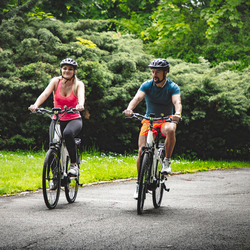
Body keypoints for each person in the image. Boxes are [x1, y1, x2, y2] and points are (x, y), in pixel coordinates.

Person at [124, 58, 182, 199]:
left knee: (170, 130)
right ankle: (139, 184)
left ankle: (166, 161)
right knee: (141, 151)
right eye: (153, 72)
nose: (154, 74)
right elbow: (137, 99)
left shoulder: (172, 87)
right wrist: (129, 109)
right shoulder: (147, 85)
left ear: (165, 72)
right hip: (149, 121)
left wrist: (177, 114)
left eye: (157, 72)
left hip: (166, 120)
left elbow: (177, 102)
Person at [29, 58, 85, 177]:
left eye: (70, 69)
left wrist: (80, 104)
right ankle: (55, 177)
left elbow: (81, 96)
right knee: (53, 145)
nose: (67, 71)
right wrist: (36, 105)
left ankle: (73, 165)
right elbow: (45, 94)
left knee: (68, 134)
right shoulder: (55, 81)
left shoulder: (78, 84)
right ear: (61, 69)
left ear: (74, 71)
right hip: (57, 119)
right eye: (64, 68)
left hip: (74, 119)